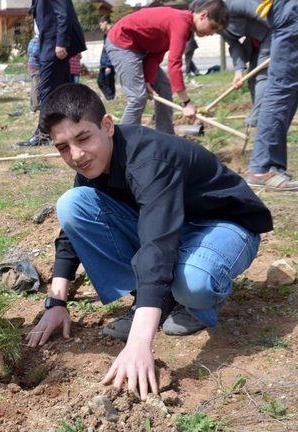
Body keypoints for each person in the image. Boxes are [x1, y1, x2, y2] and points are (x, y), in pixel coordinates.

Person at [27, 83, 272, 400]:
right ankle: (158, 298)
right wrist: (57, 302)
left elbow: (157, 245)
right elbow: (72, 233)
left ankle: (194, 300)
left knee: (193, 283)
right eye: (63, 147)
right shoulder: (93, 161)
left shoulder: (149, 159)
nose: (75, 155)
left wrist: (140, 342)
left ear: (107, 125)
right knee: (74, 204)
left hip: (223, 224)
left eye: (83, 138)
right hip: (173, 223)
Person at [105, 0, 228, 134]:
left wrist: (148, 79)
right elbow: (174, 65)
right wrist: (186, 102)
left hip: (141, 48)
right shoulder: (181, 23)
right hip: (122, 43)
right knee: (137, 98)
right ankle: (123, 145)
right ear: (203, 15)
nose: (212, 33)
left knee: (163, 87)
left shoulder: (184, 28)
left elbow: (157, 51)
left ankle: (166, 136)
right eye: (213, 27)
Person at [245, 0, 298, 191]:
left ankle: (266, 166)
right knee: (283, 88)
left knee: (286, 89)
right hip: (291, 8)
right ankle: (263, 168)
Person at [17, 0, 86, 147]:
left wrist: (61, 42)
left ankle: (43, 133)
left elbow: (64, 12)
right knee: (61, 88)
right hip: (48, 44)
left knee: (47, 89)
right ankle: (68, 126)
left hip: (53, 45)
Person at [219, 0, 270, 128]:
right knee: (252, 78)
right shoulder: (217, 22)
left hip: (272, 34)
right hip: (256, 41)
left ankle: (259, 117)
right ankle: (262, 114)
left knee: (262, 75)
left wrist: (287, 35)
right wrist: (238, 71)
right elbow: (233, 43)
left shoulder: (234, 4)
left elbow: (268, 17)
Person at [97, 15, 115, 101]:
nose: (100, 27)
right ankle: (109, 97)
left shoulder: (113, 33)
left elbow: (112, 50)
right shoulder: (106, 35)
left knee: (109, 81)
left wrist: (109, 65)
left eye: (100, 24)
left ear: (105, 22)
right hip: (103, 63)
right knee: (100, 81)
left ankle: (111, 97)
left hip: (108, 64)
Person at [27, 31, 41, 112]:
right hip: (36, 66)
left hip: (31, 65)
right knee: (36, 86)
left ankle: (33, 106)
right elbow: (36, 53)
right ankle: (36, 106)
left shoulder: (32, 41)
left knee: (33, 85)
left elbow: (29, 52)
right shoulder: (38, 41)